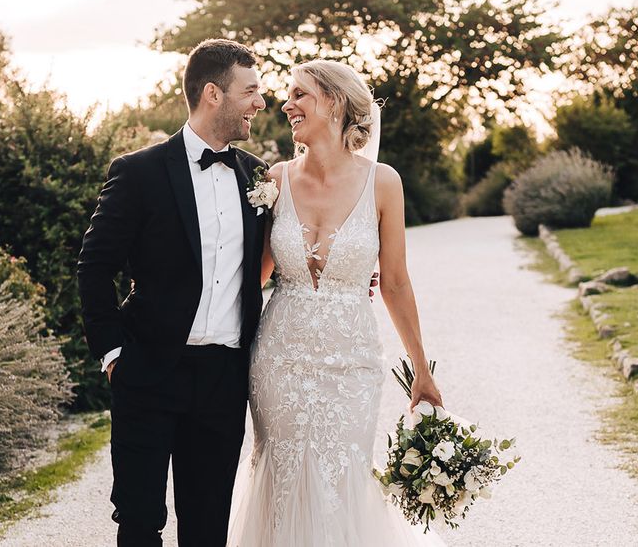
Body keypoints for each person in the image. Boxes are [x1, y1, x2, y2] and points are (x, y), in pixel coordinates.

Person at [228, 59, 446, 546]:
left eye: (300, 94)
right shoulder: (274, 180)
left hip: (351, 362)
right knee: (280, 474)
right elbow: (254, 277)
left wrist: (421, 369)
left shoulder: (383, 182)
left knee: (341, 474)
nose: (286, 105)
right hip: (279, 359)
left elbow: (394, 283)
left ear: (336, 102)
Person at [77, 38, 268, 547]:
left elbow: (280, 260)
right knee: (139, 521)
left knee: (207, 528)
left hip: (224, 379)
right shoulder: (138, 173)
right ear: (213, 93)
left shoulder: (258, 177)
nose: (261, 103)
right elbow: (95, 268)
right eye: (250, 91)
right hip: (148, 371)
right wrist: (114, 353)